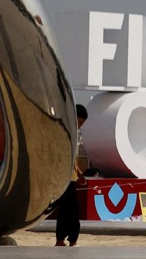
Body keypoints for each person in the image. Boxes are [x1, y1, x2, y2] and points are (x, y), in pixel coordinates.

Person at [55, 104, 88, 247]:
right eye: (79, 122)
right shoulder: (63, 132)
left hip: (72, 177)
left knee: (67, 210)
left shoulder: (74, 134)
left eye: (82, 124)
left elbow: (73, 159)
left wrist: (80, 173)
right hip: (64, 177)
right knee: (72, 211)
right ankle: (70, 240)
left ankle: (62, 239)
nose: (79, 126)